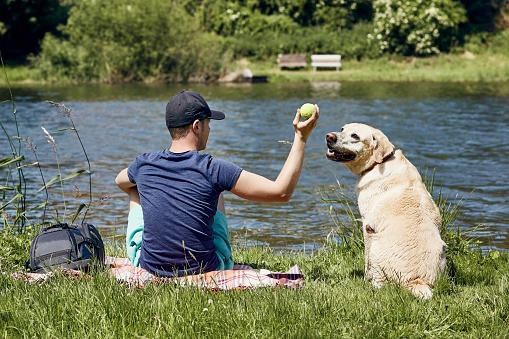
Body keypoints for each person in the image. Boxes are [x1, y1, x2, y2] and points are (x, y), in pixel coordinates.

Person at [115, 90, 319, 277]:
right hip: (206, 269)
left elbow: (120, 181)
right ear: (197, 126)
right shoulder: (213, 169)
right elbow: (281, 192)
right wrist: (301, 137)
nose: (209, 129)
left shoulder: (144, 164)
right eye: (208, 123)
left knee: (136, 188)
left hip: (149, 267)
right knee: (216, 190)